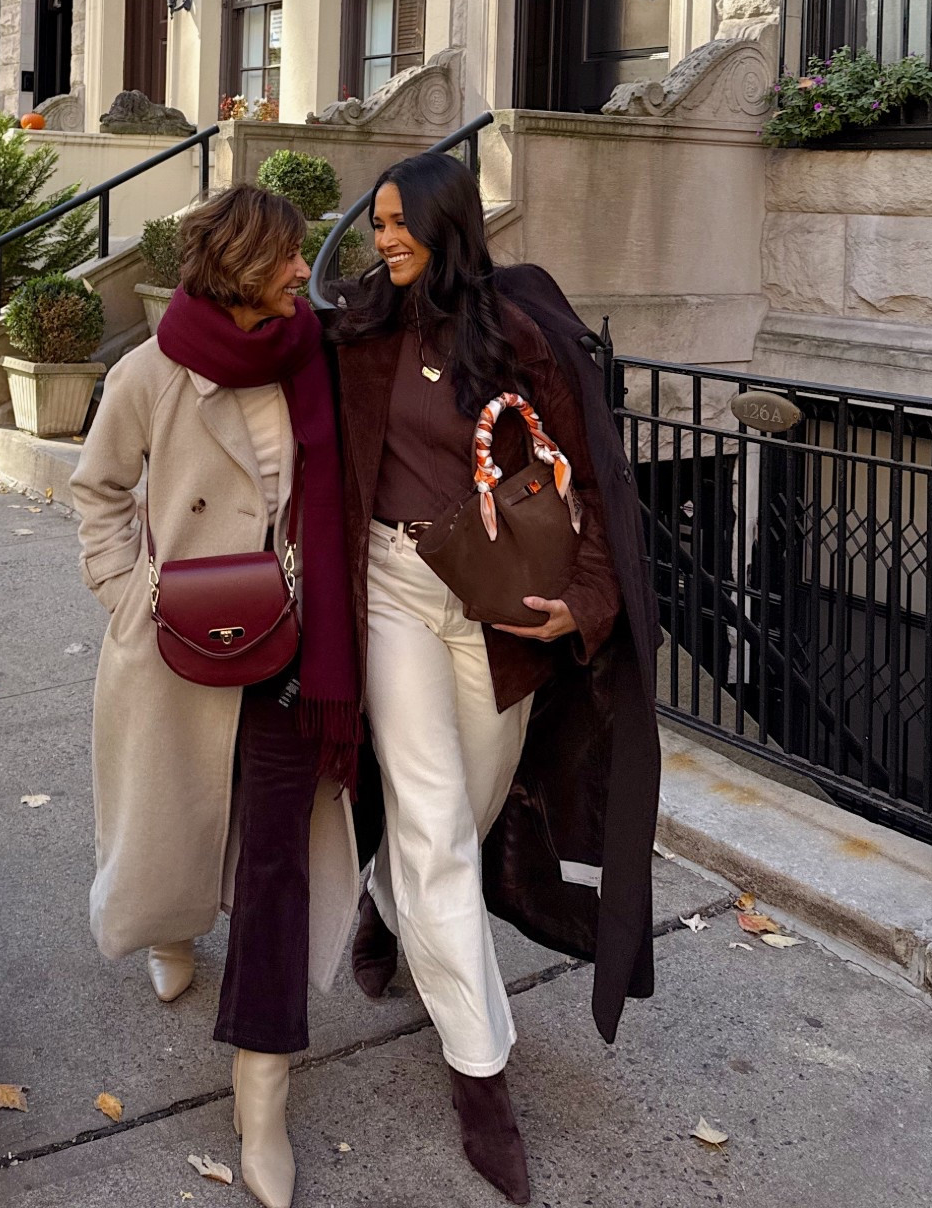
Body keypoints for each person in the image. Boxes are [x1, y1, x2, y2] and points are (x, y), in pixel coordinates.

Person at [330, 150, 658, 1205]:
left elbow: (591, 474)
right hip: (393, 588)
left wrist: (589, 598)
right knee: (433, 822)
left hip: (498, 610)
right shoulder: (359, 325)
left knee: (462, 814)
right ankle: (481, 1078)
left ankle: (385, 904)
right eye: (376, 222)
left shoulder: (516, 331)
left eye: (398, 222)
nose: (382, 237)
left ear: (446, 225)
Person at [71, 184, 362, 1208]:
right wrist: (131, 593)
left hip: (294, 641)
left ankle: (262, 1088)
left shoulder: (311, 356)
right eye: (287, 257)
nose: (304, 271)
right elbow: (98, 490)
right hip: (180, 640)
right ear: (239, 267)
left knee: (276, 854)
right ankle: (172, 922)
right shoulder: (152, 371)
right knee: (181, 816)